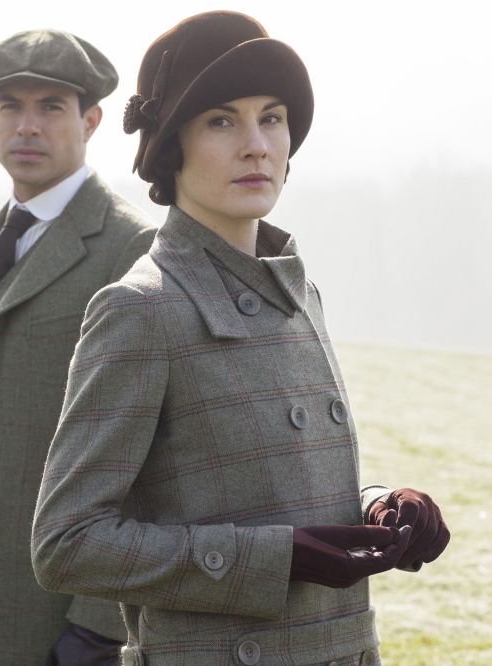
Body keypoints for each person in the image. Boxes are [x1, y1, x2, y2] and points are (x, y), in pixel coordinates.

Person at [31, 11, 451, 666]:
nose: (256, 145)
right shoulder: (139, 310)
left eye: (271, 117)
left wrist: (376, 508)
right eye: (222, 120)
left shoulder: (299, 295)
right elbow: (67, 544)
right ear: (172, 147)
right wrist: (273, 560)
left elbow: (276, 486)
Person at [0, 29, 157, 666]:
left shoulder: (135, 248)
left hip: (51, 604)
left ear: (91, 120)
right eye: (10, 105)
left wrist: (100, 626)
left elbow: (152, 448)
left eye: (51, 107)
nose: (27, 125)